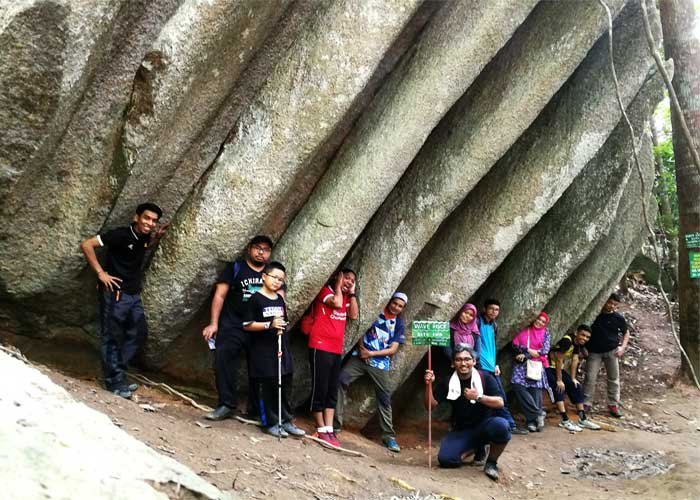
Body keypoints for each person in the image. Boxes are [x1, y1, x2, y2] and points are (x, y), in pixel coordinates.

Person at [80, 202, 168, 399]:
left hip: (132, 294)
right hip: (115, 293)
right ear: (136, 217)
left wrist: (156, 238)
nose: (150, 223)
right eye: (146, 218)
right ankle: (114, 383)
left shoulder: (144, 236)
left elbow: (141, 248)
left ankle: (117, 374)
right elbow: (87, 245)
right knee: (111, 336)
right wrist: (101, 273)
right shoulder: (120, 234)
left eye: (154, 221)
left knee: (139, 332)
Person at [202, 235, 279, 421]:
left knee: (259, 369)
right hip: (233, 325)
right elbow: (219, 296)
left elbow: (278, 299)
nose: (261, 253)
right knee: (224, 361)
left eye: (266, 250)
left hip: (259, 328)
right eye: (258, 248)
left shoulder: (270, 275)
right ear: (249, 248)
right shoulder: (235, 269)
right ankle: (226, 404)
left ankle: (255, 410)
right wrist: (214, 323)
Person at [424, 345, 511, 481]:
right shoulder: (448, 382)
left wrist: (478, 397)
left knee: (502, 426)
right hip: (461, 429)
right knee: (446, 459)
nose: (463, 363)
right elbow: (430, 406)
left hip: (485, 425)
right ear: (453, 364)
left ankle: (491, 463)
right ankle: (476, 448)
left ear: (474, 362)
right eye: (458, 360)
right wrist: (428, 385)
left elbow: (500, 402)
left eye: (467, 359)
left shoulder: (485, 377)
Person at [335, 292, 407, 452]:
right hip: (360, 357)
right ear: (390, 302)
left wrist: (371, 354)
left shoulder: (399, 324)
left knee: (384, 396)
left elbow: (393, 349)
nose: (396, 307)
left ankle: (389, 436)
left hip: (380, 363)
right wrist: (362, 349)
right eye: (394, 303)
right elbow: (362, 329)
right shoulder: (377, 313)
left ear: (403, 309)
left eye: (400, 306)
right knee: (340, 380)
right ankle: (335, 424)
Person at [242, 261, 305, 437]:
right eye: (274, 277)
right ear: (264, 277)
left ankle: (285, 420)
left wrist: (280, 327)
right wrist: (269, 324)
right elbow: (247, 325)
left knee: (285, 382)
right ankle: (270, 422)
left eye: (281, 280)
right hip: (262, 351)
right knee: (268, 385)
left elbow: (283, 321)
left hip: (281, 347)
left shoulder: (279, 300)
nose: (277, 282)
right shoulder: (254, 299)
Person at [306, 268, 358, 447]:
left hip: (336, 350)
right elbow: (335, 303)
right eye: (346, 278)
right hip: (319, 346)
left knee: (331, 389)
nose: (349, 282)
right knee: (319, 388)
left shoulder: (346, 298)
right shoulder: (326, 292)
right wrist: (338, 285)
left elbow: (354, 315)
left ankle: (329, 428)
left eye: (352, 280)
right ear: (338, 277)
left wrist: (352, 294)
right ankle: (320, 428)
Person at [475, 299, 520, 434]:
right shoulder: (477, 322)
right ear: (485, 309)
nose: (494, 312)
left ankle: (505, 424)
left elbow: (493, 346)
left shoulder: (494, 325)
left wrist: (496, 364)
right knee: (493, 396)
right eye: (491, 309)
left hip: (492, 367)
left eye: (496, 310)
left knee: (499, 396)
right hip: (480, 366)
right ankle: (510, 424)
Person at [546, 325, 601, 431]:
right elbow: (558, 359)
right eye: (583, 335)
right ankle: (565, 420)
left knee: (575, 386)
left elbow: (575, 361)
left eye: (587, 337)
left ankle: (582, 418)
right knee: (559, 388)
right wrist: (559, 380)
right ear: (576, 333)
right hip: (548, 367)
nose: (584, 338)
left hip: (558, 369)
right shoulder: (567, 341)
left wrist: (572, 378)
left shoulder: (577, 344)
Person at [583, 293, 630, 418]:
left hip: (612, 351)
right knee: (590, 378)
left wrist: (622, 347)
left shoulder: (618, 318)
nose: (612, 306)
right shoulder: (594, 315)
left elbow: (626, 333)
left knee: (613, 379)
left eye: (615, 305)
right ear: (605, 301)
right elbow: (583, 330)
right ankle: (586, 403)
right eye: (610, 303)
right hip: (594, 352)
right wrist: (583, 348)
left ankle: (613, 404)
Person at [511, 312, 551, 432]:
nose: (540, 322)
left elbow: (544, 350)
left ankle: (531, 422)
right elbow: (514, 344)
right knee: (517, 385)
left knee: (535, 391)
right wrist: (528, 350)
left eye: (543, 321)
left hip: (536, 364)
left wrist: (526, 353)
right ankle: (539, 413)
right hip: (521, 365)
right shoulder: (525, 330)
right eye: (538, 319)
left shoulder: (546, 333)